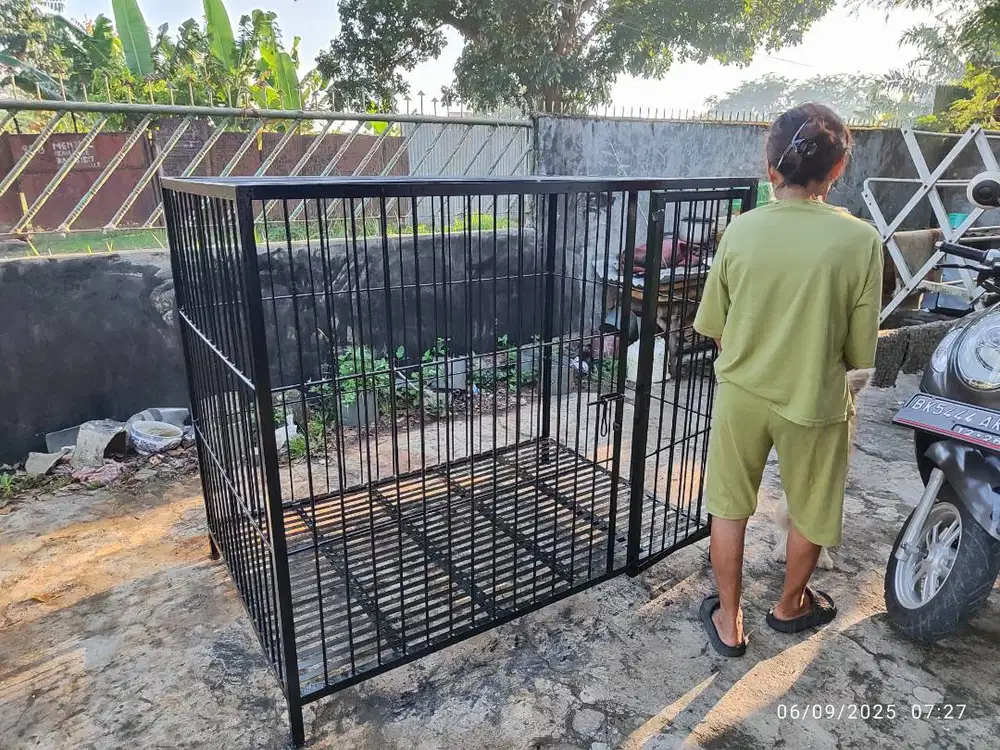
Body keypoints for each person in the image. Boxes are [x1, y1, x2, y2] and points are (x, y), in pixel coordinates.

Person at [693, 103, 883, 656]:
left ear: (770, 165)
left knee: (729, 505)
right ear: (839, 166)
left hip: (742, 396)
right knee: (811, 505)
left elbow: (714, 326)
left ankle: (730, 623)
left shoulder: (741, 231)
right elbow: (859, 351)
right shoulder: (861, 241)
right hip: (815, 399)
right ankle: (789, 606)